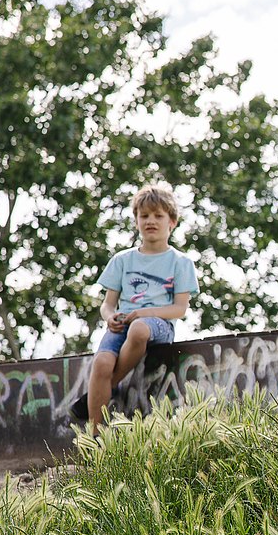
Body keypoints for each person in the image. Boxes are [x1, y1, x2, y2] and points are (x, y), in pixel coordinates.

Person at [84, 182, 198, 434]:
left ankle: (108, 386)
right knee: (101, 362)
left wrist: (142, 314)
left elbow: (179, 309)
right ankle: (94, 437)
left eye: (159, 216)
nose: (151, 221)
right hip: (123, 322)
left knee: (138, 329)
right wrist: (109, 317)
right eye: (144, 215)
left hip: (158, 326)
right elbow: (108, 304)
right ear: (136, 220)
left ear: (172, 222)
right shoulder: (123, 260)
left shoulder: (180, 262)